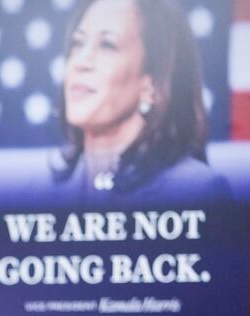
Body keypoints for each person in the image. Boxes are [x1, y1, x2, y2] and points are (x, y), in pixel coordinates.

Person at [50, 0, 229, 202]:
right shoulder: (37, 195)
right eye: (77, 44)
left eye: (107, 45)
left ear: (151, 82)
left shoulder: (197, 191)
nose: (81, 62)